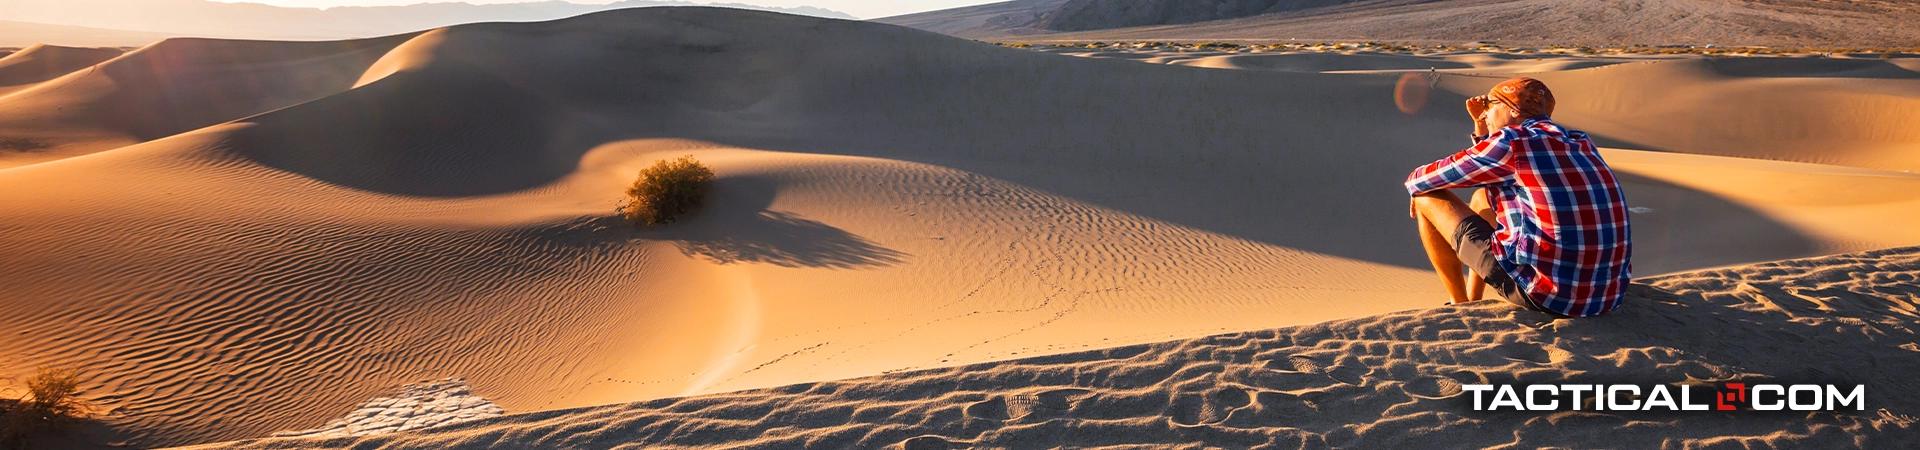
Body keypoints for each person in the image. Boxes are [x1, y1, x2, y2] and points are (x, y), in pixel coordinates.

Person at [1404, 77, 1631, 317]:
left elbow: (1419, 179)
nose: (1484, 115)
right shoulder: (1579, 141)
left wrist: (1417, 189)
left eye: (1489, 106)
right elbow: (1490, 171)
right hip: (1606, 295)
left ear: (1513, 110)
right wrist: (1482, 127)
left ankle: (1458, 303)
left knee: (1425, 197)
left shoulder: (1512, 141)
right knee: (1482, 196)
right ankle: (1472, 300)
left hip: (1549, 296)